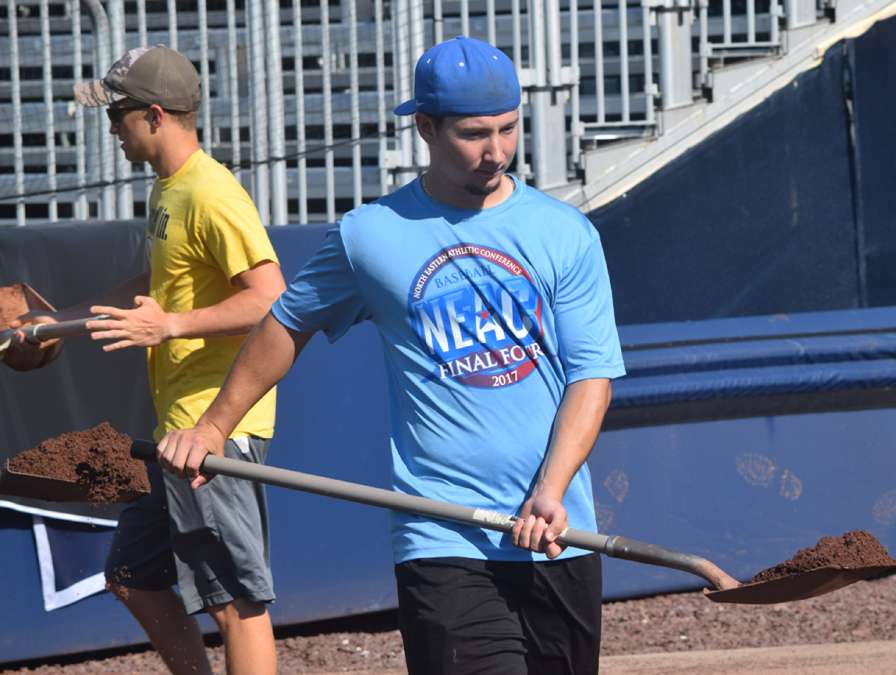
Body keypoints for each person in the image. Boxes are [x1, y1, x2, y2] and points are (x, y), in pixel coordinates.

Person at [157, 36, 625, 674]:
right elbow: (282, 326)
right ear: (426, 128)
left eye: (509, 129)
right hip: (442, 534)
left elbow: (590, 375)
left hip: (557, 534)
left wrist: (552, 488)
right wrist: (214, 425)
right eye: (474, 133)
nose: (497, 151)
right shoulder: (368, 236)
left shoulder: (565, 233)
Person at [7, 46, 284, 674]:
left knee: (236, 602)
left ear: (155, 115)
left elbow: (270, 297)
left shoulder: (210, 193)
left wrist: (174, 325)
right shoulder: (170, 190)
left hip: (214, 428)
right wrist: (59, 322)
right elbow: (156, 285)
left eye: (120, 113)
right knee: (133, 574)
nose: (112, 126)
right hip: (176, 432)